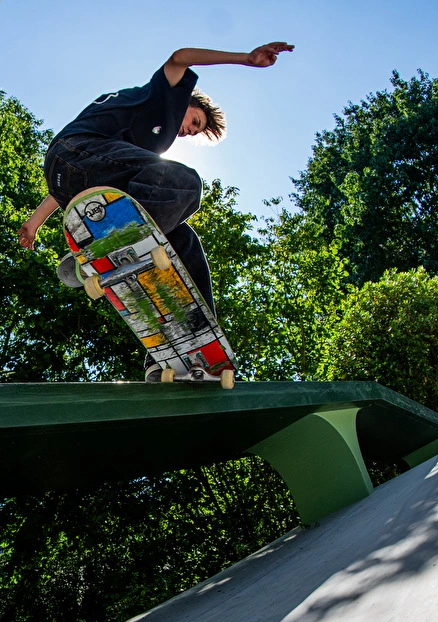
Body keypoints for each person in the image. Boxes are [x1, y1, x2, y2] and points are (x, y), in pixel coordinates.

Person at [17, 42, 294, 380]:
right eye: (193, 120)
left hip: (75, 173)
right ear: (187, 100)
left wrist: (34, 223)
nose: (187, 130)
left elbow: (67, 185)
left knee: (182, 240)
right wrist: (245, 59)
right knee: (186, 182)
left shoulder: (136, 149)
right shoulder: (162, 97)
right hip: (79, 151)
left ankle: (179, 351)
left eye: (192, 132)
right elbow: (180, 56)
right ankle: (108, 247)